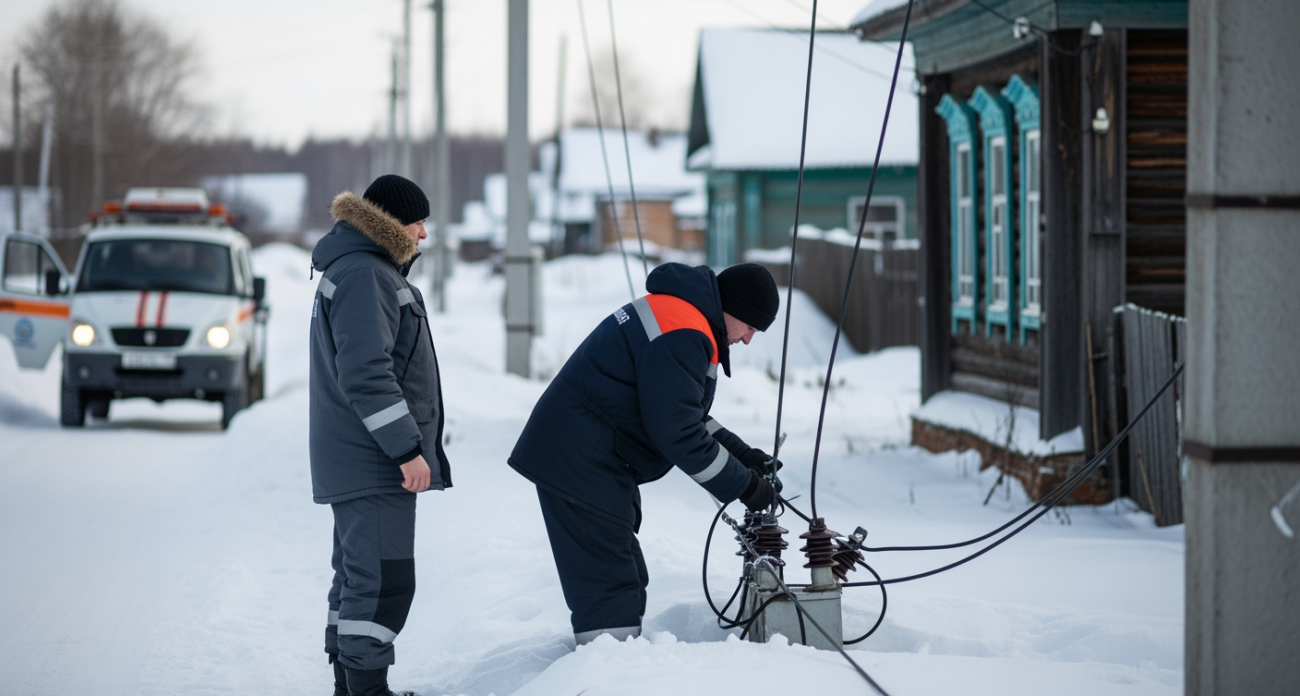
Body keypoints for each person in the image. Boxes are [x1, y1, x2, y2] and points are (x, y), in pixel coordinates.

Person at [509, 261, 782, 646]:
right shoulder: (685, 330)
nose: (749, 339)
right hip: (581, 458)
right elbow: (679, 432)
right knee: (609, 583)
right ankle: (604, 675)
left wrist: (744, 457)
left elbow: (682, 412)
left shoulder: (684, 316)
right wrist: (745, 487)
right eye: (751, 327)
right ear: (734, 308)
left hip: (587, 453)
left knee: (623, 575)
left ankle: (610, 662)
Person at [309, 174, 451, 696]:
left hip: (360, 456)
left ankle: (351, 688)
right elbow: (367, 373)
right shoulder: (367, 274)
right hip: (372, 459)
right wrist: (407, 450)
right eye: (417, 222)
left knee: (357, 578)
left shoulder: (360, 268)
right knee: (383, 584)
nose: (423, 234)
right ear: (391, 223)